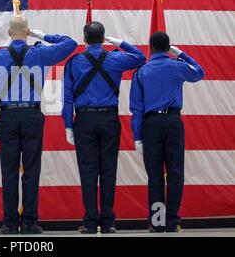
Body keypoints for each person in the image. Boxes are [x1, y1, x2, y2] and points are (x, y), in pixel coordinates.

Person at [0, 16, 77, 234]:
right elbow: (70, 43)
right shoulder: (39, 53)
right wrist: (42, 35)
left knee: (9, 172)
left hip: (7, 116)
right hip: (32, 115)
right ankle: (29, 222)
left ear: (8, 33)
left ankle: (8, 223)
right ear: (27, 32)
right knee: (31, 171)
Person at [62, 21, 146, 234]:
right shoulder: (115, 58)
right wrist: (121, 42)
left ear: (84, 39)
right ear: (103, 38)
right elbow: (140, 57)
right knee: (108, 171)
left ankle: (90, 223)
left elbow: (68, 98)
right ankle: (108, 222)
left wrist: (68, 126)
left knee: (88, 172)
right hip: (109, 119)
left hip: (84, 121)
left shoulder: (74, 63)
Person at [130, 31, 204, 233]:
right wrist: (181, 54)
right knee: (175, 173)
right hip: (173, 122)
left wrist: (137, 136)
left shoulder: (142, 71)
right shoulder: (177, 66)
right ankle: (172, 221)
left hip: (151, 125)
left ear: (151, 47)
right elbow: (199, 72)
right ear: (167, 47)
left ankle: (157, 222)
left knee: (154, 175)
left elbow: (136, 108)